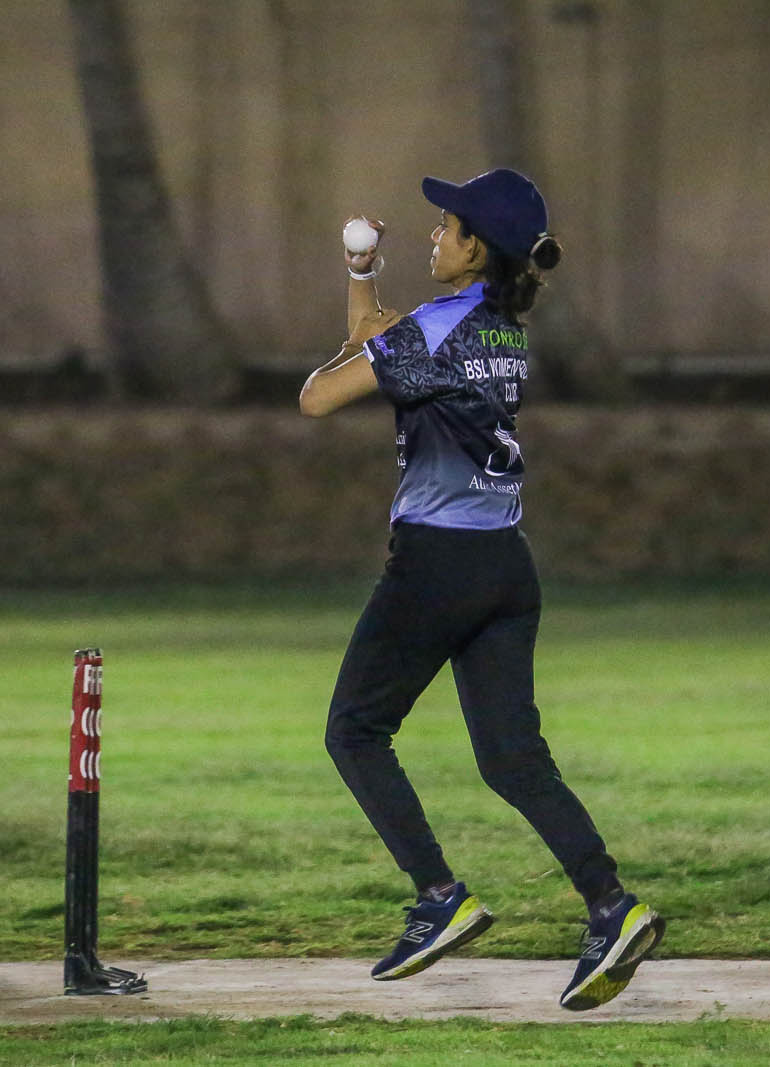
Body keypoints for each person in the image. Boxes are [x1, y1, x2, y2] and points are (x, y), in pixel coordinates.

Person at [299, 168, 664, 1011]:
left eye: (447, 226)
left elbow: (317, 398)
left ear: (475, 251)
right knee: (511, 759)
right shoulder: (501, 327)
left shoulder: (432, 332)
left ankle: (439, 897)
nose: (435, 234)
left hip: (437, 565)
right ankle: (612, 905)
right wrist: (362, 276)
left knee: (354, 730)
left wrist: (370, 339)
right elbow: (380, 339)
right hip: (506, 564)